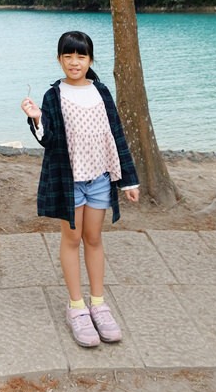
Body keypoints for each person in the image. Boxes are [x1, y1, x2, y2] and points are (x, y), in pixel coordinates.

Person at [21, 30, 139, 348]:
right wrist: (36, 118)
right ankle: (76, 307)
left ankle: (98, 303)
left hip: (100, 178)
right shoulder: (53, 95)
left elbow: (116, 135)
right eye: (68, 56)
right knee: (72, 239)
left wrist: (128, 179)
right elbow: (49, 140)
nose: (74, 62)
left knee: (94, 239)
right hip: (69, 180)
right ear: (59, 59)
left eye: (81, 56)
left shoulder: (101, 91)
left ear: (89, 59)